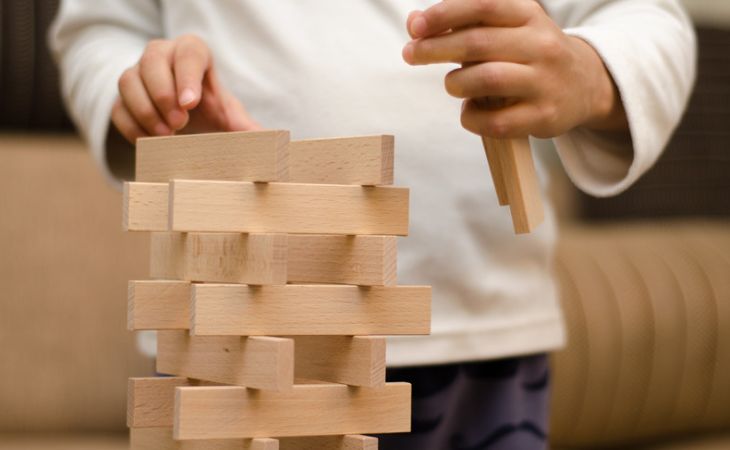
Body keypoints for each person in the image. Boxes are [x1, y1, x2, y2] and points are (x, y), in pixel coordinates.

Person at [50, 1, 696, 448]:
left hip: (481, 334)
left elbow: (644, 16)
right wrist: (137, 90)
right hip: (234, 341)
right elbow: (99, 26)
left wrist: (592, 72)